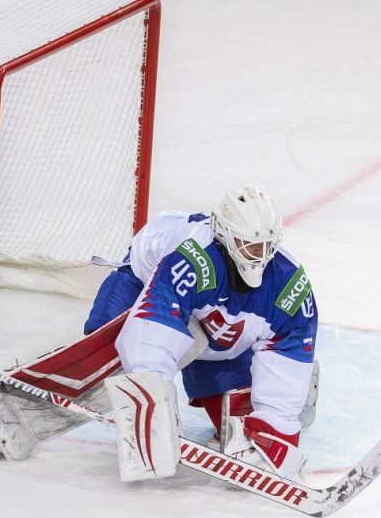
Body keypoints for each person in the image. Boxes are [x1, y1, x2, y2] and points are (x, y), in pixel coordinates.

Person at [85, 183, 317, 478]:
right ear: (225, 235)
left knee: (234, 417)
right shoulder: (192, 257)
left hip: (215, 320)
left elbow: (291, 345)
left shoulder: (289, 283)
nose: (260, 254)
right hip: (142, 281)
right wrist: (154, 407)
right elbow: (153, 328)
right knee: (107, 346)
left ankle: (302, 391)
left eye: (267, 245)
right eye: (250, 244)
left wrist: (275, 428)